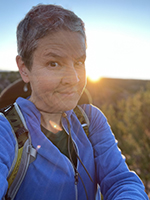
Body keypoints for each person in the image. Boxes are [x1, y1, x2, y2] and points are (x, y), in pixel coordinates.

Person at [0, 4, 149, 200]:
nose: (74, 79)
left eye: (79, 62)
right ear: (24, 68)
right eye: (54, 63)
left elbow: (120, 180)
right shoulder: (6, 131)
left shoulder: (91, 119)